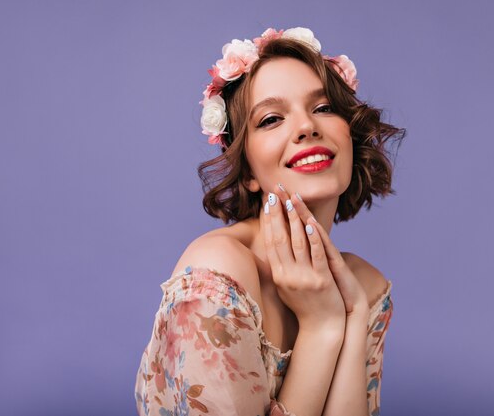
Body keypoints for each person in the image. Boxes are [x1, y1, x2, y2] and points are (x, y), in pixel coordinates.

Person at [134, 27, 405, 416]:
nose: (307, 127)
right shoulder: (217, 277)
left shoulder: (364, 288)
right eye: (272, 119)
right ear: (247, 171)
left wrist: (352, 316)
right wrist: (321, 326)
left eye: (324, 108)